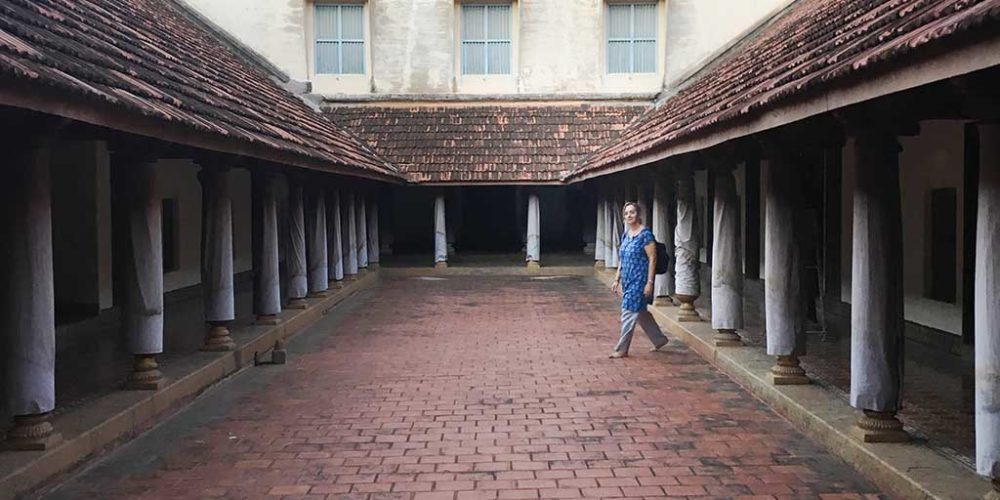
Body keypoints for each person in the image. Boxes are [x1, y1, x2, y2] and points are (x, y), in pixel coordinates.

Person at [610, 201, 668, 358]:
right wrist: (617, 279)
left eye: (632, 212)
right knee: (641, 312)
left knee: (628, 311)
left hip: (640, 280)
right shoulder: (626, 235)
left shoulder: (645, 235)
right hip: (627, 279)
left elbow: (652, 259)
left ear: (638, 214)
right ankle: (659, 339)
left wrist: (649, 282)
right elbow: (622, 257)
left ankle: (622, 348)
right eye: (627, 213)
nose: (629, 215)